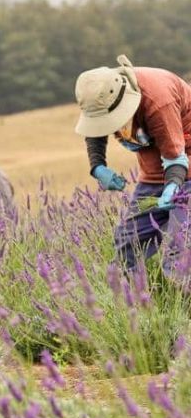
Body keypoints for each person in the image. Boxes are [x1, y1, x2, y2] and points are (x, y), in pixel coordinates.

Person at [75, 54, 191, 275]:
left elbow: (176, 157)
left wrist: (172, 187)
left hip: (184, 165)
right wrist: (98, 166)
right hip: (153, 175)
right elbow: (95, 127)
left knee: (180, 255)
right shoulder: (98, 93)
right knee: (126, 246)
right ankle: (133, 305)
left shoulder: (158, 99)